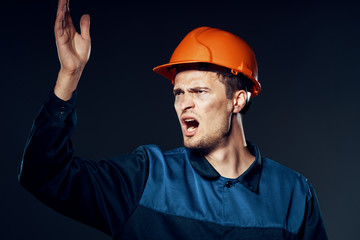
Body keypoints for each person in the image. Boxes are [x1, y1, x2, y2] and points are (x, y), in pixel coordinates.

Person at [18, 0, 328, 239]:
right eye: (179, 93)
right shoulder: (145, 178)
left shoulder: (293, 193)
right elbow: (43, 175)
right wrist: (69, 76)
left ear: (238, 99)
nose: (184, 104)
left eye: (199, 91)